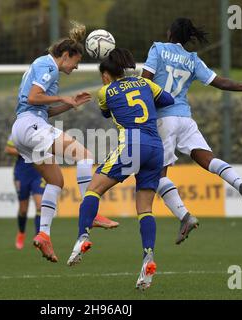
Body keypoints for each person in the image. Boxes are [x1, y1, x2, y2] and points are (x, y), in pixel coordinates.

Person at [141, 18, 242, 244]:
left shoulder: (158, 48)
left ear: (171, 32)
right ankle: (240, 184)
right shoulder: (193, 60)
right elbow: (222, 83)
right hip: (185, 118)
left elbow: (145, 82)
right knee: (207, 159)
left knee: (158, 175)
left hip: (163, 119)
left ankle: (185, 216)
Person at [66, 48, 175, 290]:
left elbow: (106, 112)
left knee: (93, 190)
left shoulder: (105, 91)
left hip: (132, 145)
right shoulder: (145, 84)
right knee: (145, 208)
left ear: (106, 75)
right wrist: (149, 92)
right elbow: (169, 100)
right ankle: (148, 256)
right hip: (156, 149)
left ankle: (82, 236)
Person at [10, 22, 119, 263]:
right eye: (76, 62)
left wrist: (69, 104)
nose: (76, 67)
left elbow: (42, 109)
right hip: (31, 126)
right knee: (86, 156)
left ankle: (44, 235)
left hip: (23, 129)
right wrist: (63, 97)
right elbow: (33, 97)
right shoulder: (48, 64)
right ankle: (89, 212)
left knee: (56, 181)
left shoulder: (43, 67)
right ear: (66, 55)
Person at [5, 137, 44, 249]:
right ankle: (21, 233)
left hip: (38, 172)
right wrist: (26, 152)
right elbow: (8, 149)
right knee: (23, 209)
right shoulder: (18, 132)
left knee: (40, 205)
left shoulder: (42, 131)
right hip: (22, 174)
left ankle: (39, 238)